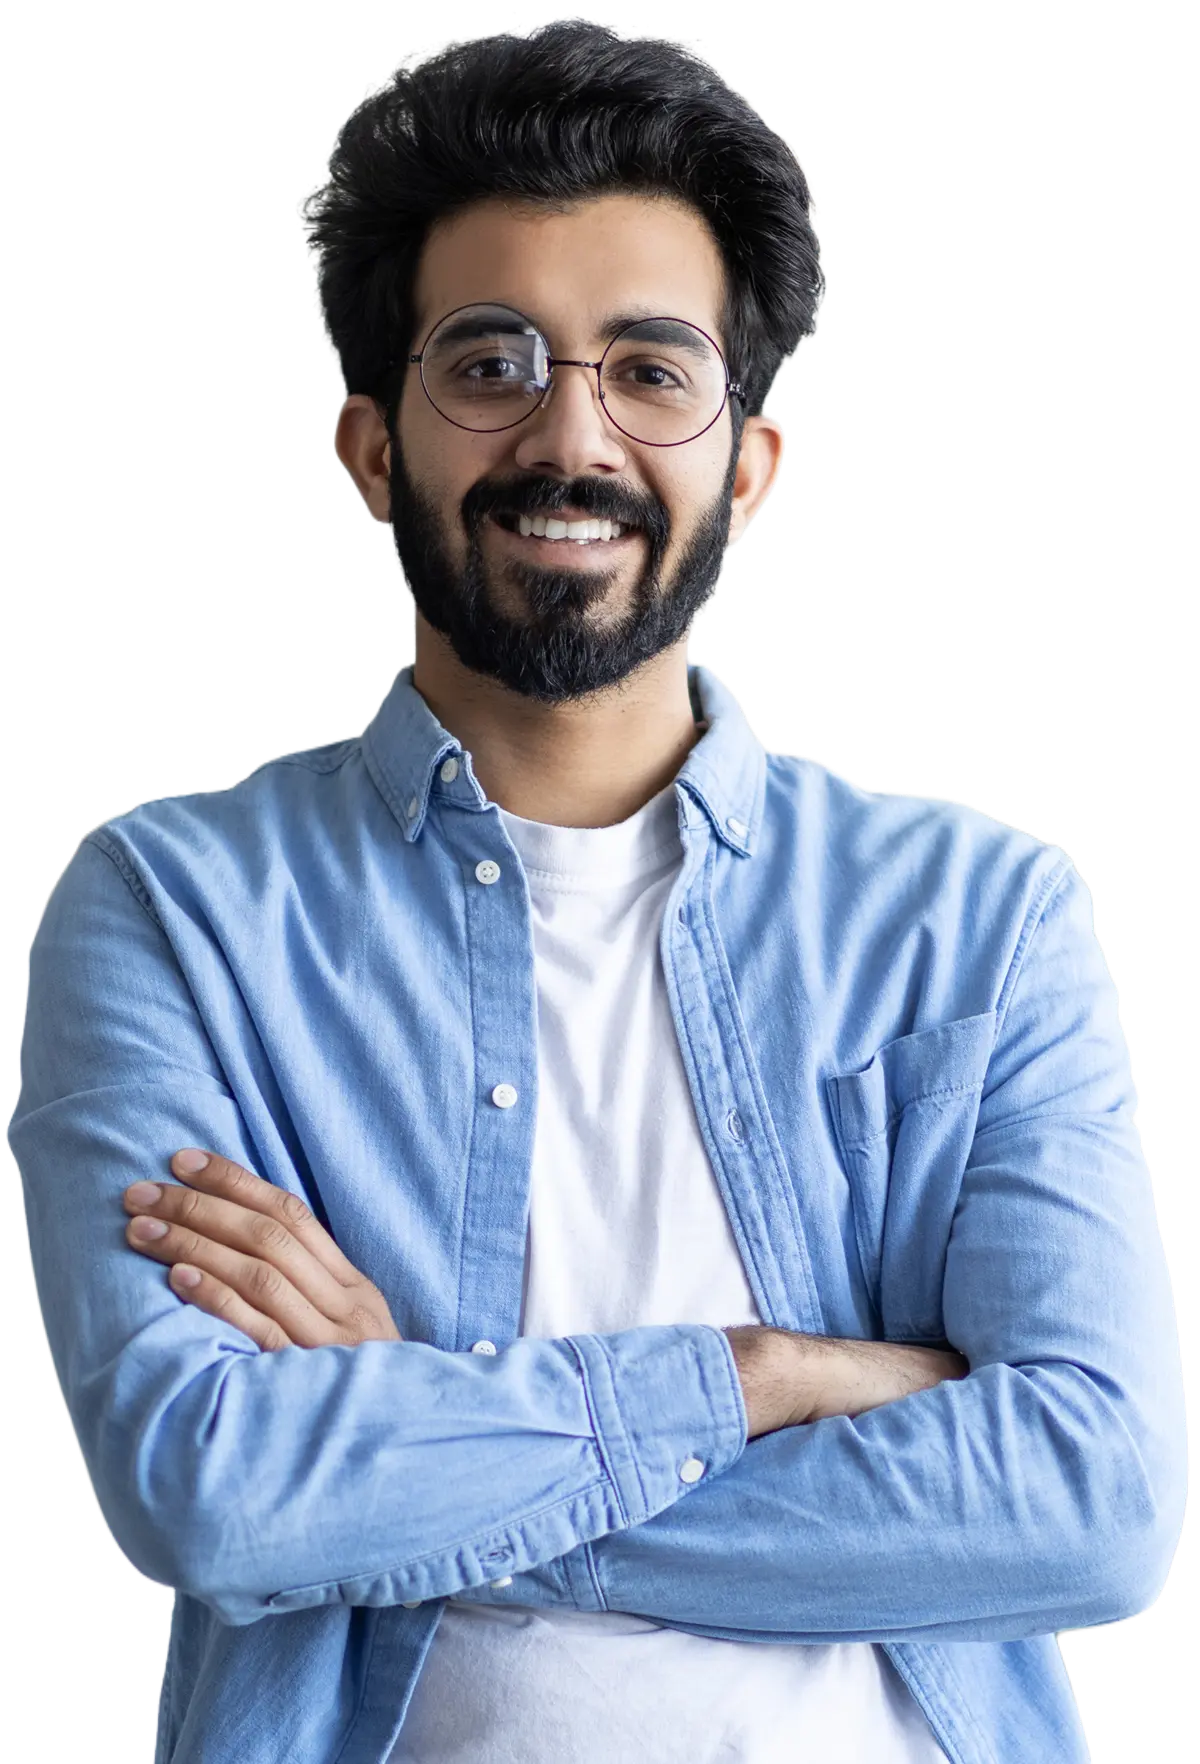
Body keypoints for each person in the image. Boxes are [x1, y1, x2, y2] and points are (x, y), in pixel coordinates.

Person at [10, 19, 1184, 1764]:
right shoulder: (178, 911)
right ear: (369, 448)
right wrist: (765, 1379)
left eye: (651, 369)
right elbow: (219, 1495)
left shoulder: (978, 918)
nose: (572, 437)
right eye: (490, 362)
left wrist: (421, 1439)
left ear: (750, 463)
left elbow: (1092, 1506)